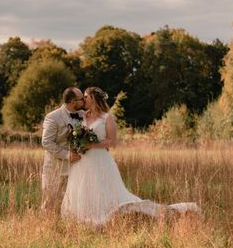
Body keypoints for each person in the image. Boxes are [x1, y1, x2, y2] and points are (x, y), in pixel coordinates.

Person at [61, 87, 199, 225]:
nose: (83, 99)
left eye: (86, 97)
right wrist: (78, 142)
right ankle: (83, 216)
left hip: (100, 159)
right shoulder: (83, 116)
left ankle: (106, 214)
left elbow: (112, 142)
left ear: (94, 99)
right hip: (83, 160)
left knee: (102, 188)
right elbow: (75, 132)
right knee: (83, 187)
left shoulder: (107, 118)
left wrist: (92, 144)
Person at [40, 87, 86, 210]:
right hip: (56, 166)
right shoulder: (53, 117)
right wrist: (67, 155)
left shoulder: (83, 115)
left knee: (73, 201)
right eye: (81, 99)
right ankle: (47, 225)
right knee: (50, 200)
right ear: (72, 101)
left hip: (77, 166)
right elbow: (46, 142)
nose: (84, 101)